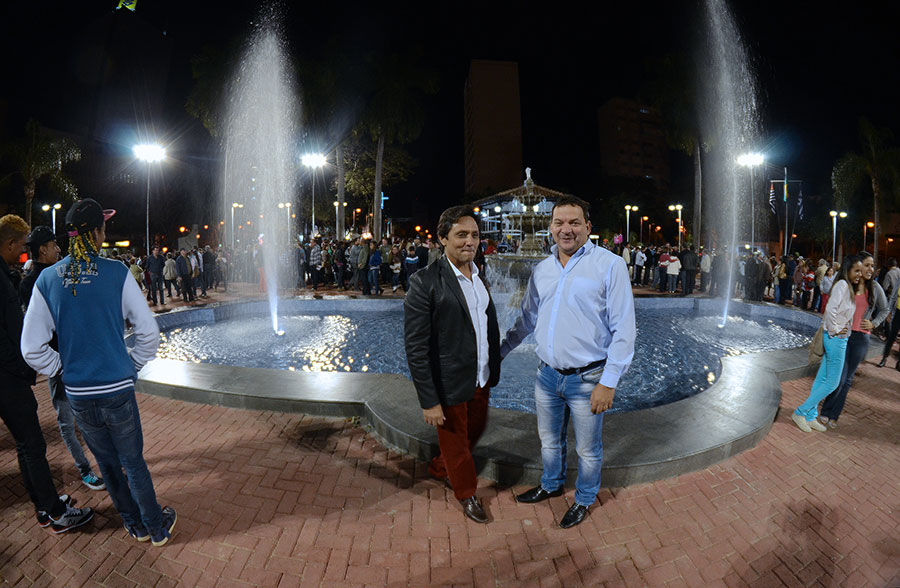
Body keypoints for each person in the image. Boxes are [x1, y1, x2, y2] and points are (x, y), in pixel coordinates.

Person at [21, 198, 177, 546]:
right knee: (133, 462)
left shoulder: (47, 279)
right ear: (95, 233)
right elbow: (148, 333)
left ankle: (134, 524)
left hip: (79, 393)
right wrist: (132, 364)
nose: (106, 232)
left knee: (107, 465)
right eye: (103, 227)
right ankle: (155, 527)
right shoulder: (116, 272)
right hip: (116, 387)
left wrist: (61, 368)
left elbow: (30, 347)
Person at [501, 195, 636, 529]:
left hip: (588, 378)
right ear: (550, 227)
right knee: (549, 442)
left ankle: (585, 499)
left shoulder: (609, 265)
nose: (566, 229)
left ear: (587, 227)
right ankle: (551, 484)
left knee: (588, 450)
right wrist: (499, 351)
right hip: (546, 376)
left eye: (575, 222)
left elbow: (625, 328)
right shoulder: (543, 269)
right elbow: (527, 320)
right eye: (559, 222)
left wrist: (609, 382)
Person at [404, 205, 501, 524]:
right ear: (443, 238)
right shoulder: (425, 282)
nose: (470, 241)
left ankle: (439, 467)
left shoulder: (478, 276)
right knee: (458, 445)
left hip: (481, 377)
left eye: (474, 235)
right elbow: (417, 347)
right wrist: (429, 400)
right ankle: (466, 494)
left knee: (476, 431)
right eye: (461, 235)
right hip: (448, 384)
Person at [0, 214, 94, 533]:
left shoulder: (6, 275)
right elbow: (14, 334)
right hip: (8, 378)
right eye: (21, 245)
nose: (23, 251)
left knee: (28, 445)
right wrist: (25, 368)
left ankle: (44, 507)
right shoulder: (8, 279)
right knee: (33, 444)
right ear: (10, 243)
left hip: (12, 375)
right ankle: (54, 512)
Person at [19, 225, 105, 492]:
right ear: (41, 249)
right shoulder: (34, 282)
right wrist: (57, 364)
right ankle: (85, 470)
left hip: (77, 358)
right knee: (67, 422)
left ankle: (105, 462)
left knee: (90, 415)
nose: (59, 249)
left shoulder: (60, 274)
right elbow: (36, 334)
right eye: (53, 245)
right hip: (60, 366)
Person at [792, 256, 863, 432]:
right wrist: (836, 329)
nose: (859, 274)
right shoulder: (842, 286)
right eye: (857, 271)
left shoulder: (848, 287)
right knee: (832, 382)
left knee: (822, 379)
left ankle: (810, 416)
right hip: (835, 339)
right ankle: (800, 412)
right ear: (848, 270)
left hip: (838, 338)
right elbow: (830, 309)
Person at [819, 252, 888, 427]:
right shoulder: (846, 284)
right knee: (838, 377)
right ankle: (826, 411)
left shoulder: (875, 287)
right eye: (867, 265)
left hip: (860, 338)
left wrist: (874, 323)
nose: (870, 269)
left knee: (848, 379)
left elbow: (885, 309)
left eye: (873, 266)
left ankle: (834, 415)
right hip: (842, 336)